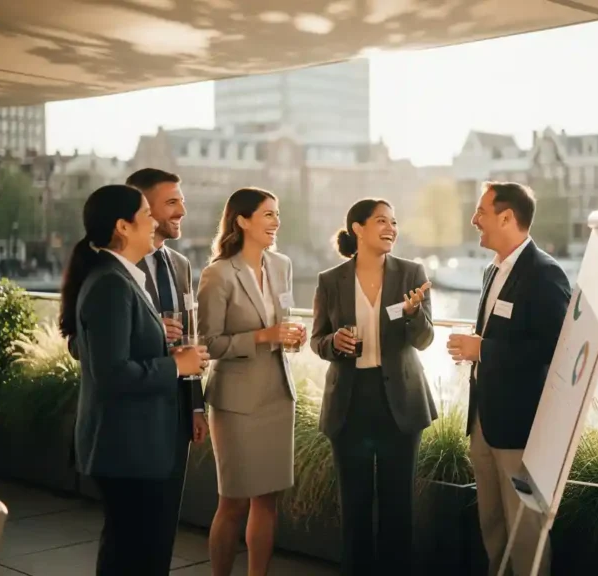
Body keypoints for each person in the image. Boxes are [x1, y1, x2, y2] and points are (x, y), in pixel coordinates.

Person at [59, 184, 209, 576]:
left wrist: (176, 357)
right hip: (127, 448)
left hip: (137, 446)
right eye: (146, 213)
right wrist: (176, 365)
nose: (154, 221)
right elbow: (111, 375)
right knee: (130, 555)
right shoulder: (111, 283)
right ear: (123, 227)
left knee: (137, 550)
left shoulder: (120, 278)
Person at [447, 182, 571, 576]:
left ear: (506, 217)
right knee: (492, 524)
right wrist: (477, 344)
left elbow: (554, 349)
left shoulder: (545, 273)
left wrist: (481, 349)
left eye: (480, 211)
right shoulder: (492, 270)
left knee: (525, 530)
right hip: (484, 421)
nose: (474, 220)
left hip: (519, 429)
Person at [310, 198, 436, 576]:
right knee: (355, 506)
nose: (391, 228)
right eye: (382, 221)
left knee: (399, 507)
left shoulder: (412, 274)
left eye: (394, 222)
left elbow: (425, 340)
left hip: (399, 402)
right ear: (358, 229)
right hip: (350, 403)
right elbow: (317, 340)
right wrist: (334, 344)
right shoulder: (330, 280)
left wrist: (414, 315)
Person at [197, 187, 305, 576]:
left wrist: (292, 337)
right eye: (268, 215)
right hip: (237, 404)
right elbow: (208, 344)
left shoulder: (282, 265)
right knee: (234, 502)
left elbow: (282, 324)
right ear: (242, 220)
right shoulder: (218, 273)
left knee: (267, 500)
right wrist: (265, 336)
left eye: (277, 214)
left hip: (277, 395)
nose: (276, 222)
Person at [126, 168, 208, 447]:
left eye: (182, 201)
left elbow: (190, 339)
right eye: (172, 202)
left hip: (179, 415)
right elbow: (80, 345)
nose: (182, 211)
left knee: (173, 492)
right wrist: (152, 330)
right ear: (144, 209)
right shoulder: (115, 267)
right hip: (135, 414)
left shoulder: (181, 264)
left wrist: (196, 407)